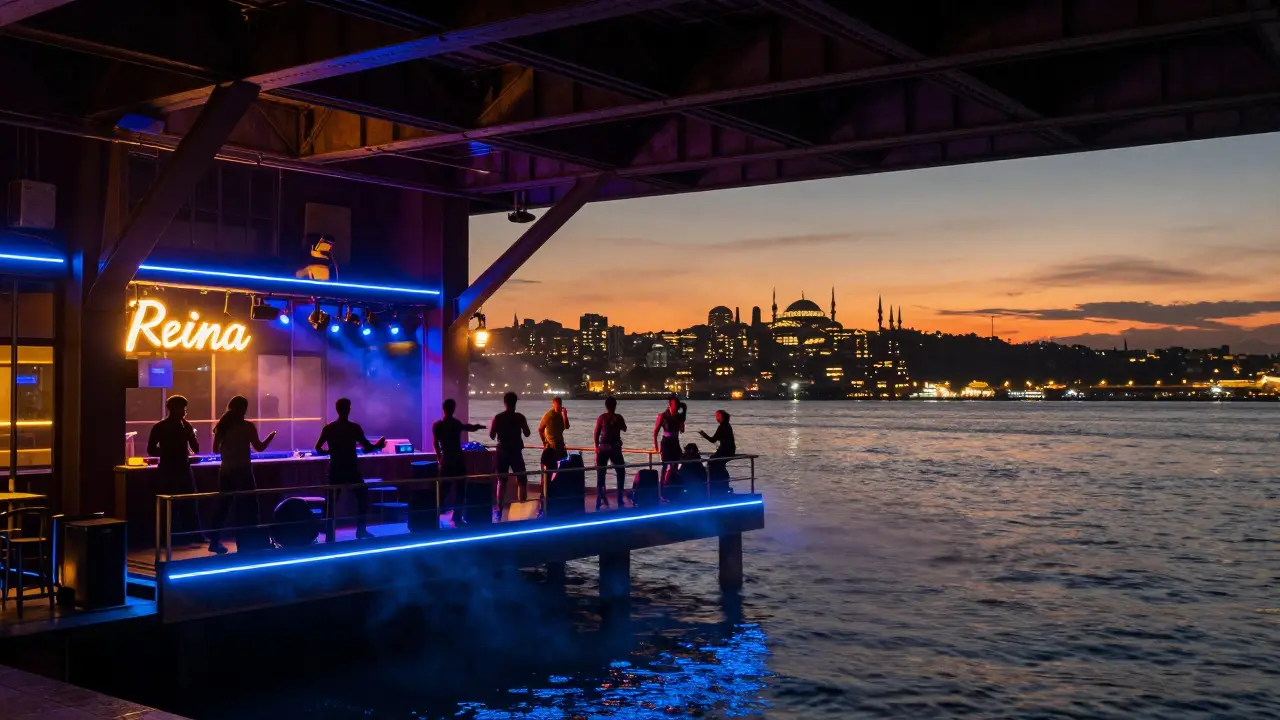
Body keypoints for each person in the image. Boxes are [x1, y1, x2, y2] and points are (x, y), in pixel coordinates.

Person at [208, 396, 276, 554]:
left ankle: (215, 541)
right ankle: (248, 542)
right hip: (244, 471)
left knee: (223, 507)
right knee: (250, 508)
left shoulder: (222, 427)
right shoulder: (247, 427)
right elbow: (259, 448)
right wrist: (270, 437)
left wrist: (229, 449)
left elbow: (215, 450)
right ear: (244, 409)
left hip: (226, 471)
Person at [315, 398, 386, 539]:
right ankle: (360, 529)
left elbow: (317, 448)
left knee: (331, 501)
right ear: (349, 409)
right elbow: (367, 448)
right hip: (351, 468)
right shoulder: (354, 428)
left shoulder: (329, 428)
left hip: (335, 468)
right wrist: (378, 446)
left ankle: (329, 530)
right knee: (362, 495)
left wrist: (329, 452)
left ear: (337, 410)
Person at [147, 395, 203, 545]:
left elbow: (151, 450)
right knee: (186, 503)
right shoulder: (181, 426)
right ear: (174, 409)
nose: (185, 411)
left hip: (172, 469)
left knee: (178, 504)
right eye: (183, 408)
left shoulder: (162, 426)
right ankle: (189, 535)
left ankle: (173, 537)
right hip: (177, 469)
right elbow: (195, 449)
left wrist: (167, 451)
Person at [433, 399, 485, 525]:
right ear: (453, 409)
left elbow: (435, 443)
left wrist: (440, 457)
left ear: (443, 408)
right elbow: (468, 428)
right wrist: (478, 427)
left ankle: (433, 515)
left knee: (443, 490)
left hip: (446, 460)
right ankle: (457, 517)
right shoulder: (456, 423)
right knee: (460, 490)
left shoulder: (437, 425)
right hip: (458, 459)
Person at [489, 392, 532, 509]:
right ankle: (522, 505)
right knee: (522, 479)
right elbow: (527, 433)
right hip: (516, 452)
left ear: (505, 403)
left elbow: (492, 435)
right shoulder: (520, 417)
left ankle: (499, 507)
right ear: (515, 402)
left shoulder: (498, 418)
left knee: (501, 481)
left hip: (502, 452)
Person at [592, 396, 628, 509]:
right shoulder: (613, 417)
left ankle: (602, 499)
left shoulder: (602, 418)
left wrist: (596, 448)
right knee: (619, 472)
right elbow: (625, 428)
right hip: (611, 448)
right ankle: (618, 499)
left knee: (602, 475)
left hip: (605, 448)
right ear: (615, 406)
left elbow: (596, 434)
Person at [652, 394, 686, 485]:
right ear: (670, 404)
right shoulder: (663, 415)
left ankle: (672, 484)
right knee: (665, 466)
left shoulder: (679, 417)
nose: (676, 406)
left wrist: (682, 419)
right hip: (666, 443)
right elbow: (655, 432)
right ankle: (662, 487)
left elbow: (682, 430)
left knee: (676, 464)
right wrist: (656, 447)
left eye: (677, 405)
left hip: (675, 442)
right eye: (674, 404)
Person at [699, 409, 737, 482]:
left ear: (721, 416)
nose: (716, 417)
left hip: (726, 451)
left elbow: (713, 440)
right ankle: (721, 479)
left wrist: (703, 434)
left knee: (712, 461)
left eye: (717, 415)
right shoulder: (727, 425)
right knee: (716, 462)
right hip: (729, 450)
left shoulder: (722, 426)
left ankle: (715, 480)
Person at [538, 396, 570, 472]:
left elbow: (567, 426)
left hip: (560, 446)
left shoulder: (560, 415)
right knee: (552, 469)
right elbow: (540, 430)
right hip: (551, 447)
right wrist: (544, 443)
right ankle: (548, 482)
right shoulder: (548, 416)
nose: (559, 408)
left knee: (563, 468)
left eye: (560, 406)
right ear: (553, 405)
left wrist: (565, 415)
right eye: (557, 406)